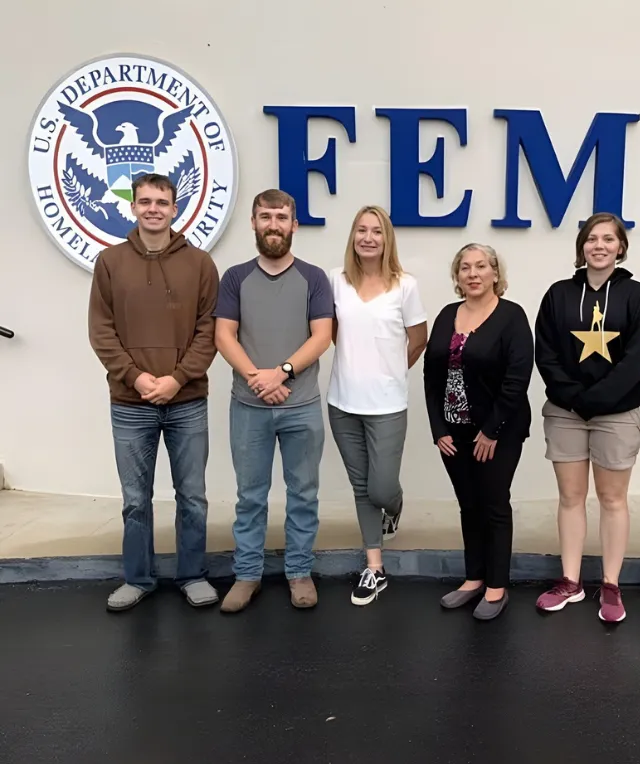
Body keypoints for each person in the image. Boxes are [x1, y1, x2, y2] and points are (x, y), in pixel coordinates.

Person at [87, 172, 220, 612]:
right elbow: (101, 330)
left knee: (193, 497)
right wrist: (136, 377)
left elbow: (208, 331)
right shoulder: (110, 262)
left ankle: (193, 574)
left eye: (162, 202)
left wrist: (177, 379)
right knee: (134, 501)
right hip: (130, 403)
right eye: (145, 201)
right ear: (133, 207)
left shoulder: (200, 264)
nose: (153, 209)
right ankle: (138, 578)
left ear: (175, 208)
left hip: (187, 401)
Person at [213, 189, 334, 613]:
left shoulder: (314, 278)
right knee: (250, 496)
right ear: (253, 222)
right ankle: (247, 575)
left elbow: (322, 336)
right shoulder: (235, 278)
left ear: (294, 225)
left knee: (303, 494)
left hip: (301, 407)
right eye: (265, 217)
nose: (273, 225)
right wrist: (258, 379)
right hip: (249, 408)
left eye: (281, 217)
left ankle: (299, 572)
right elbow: (224, 335)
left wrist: (280, 373)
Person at [533, 212, 640, 623]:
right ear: (581, 246)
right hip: (566, 412)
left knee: (612, 499)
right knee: (570, 498)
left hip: (616, 414)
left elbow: (638, 359)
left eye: (608, 239)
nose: (599, 246)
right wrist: (574, 398)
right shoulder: (558, 295)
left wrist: (598, 399)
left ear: (621, 247)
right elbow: (546, 353)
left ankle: (610, 584)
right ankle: (570, 581)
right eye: (591, 239)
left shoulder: (637, 296)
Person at [423, 244, 534, 621]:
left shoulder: (511, 316)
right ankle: (473, 578)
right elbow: (431, 375)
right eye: (465, 267)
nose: (473, 273)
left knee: (494, 504)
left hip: (498, 432)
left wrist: (491, 431)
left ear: (495, 273)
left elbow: (517, 378)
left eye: (481, 266)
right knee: (468, 505)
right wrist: (438, 428)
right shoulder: (446, 315)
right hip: (453, 432)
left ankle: (497, 587)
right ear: (457, 276)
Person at [326, 205, 428, 607]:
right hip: (342, 403)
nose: (368, 238)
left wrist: (389, 371)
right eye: (361, 230)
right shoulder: (335, 281)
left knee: (381, 487)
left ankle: (394, 507)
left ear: (388, 239)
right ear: (353, 236)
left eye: (377, 231)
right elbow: (333, 332)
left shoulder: (405, 286)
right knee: (361, 487)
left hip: (387, 404)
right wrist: (357, 365)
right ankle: (375, 567)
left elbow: (418, 340)